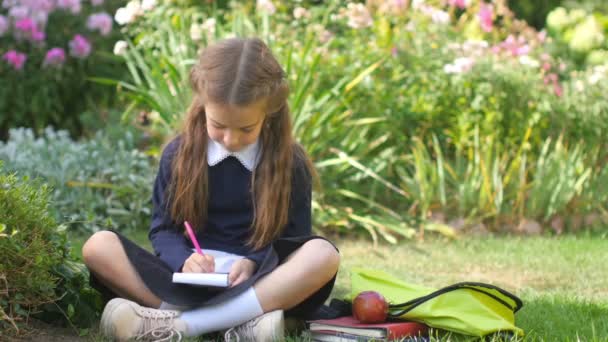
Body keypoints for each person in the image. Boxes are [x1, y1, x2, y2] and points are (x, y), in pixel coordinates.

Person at [81, 37, 340, 341]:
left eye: (245, 129)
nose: (230, 139)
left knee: (322, 253)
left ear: (266, 116)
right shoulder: (178, 155)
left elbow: (295, 242)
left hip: (258, 282)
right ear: (203, 106)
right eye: (218, 125)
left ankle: (176, 325)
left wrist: (254, 261)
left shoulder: (290, 163)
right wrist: (183, 261)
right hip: (186, 282)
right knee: (98, 246)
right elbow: (162, 230)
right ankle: (242, 325)